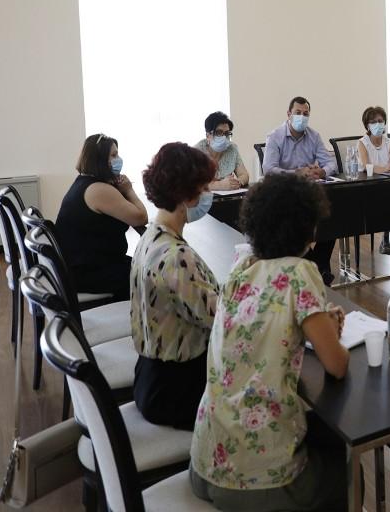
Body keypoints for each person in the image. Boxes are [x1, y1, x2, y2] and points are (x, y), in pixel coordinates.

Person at [190, 173, 351, 511]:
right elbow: (336, 365)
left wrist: (321, 324)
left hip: (205, 464)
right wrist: (330, 334)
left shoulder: (241, 267)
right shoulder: (300, 272)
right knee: (344, 465)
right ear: (307, 229)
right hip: (258, 480)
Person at [131, 143, 219, 429]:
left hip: (151, 376)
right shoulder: (175, 256)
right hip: (176, 389)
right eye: (204, 188)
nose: (207, 194)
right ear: (186, 196)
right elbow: (220, 321)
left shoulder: (151, 237)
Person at [55, 134, 148, 301]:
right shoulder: (99, 190)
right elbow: (141, 218)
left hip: (82, 266)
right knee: (152, 275)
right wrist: (128, 190)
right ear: (99, 159)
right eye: (113, 155)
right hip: (88, 273)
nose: (118, 159)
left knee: (147, 267)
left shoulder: (85, 182)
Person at [262, 96, 338, 284]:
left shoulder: (314, 136)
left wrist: (322, 171)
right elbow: (268, 169)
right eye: (298, 113)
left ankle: (319, 267)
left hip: (309, 193)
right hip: (284, 194)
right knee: (296, 224)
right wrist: (296, 173)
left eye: (306, 114)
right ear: (289, 114)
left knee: (332, 217)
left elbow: (331, 163)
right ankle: (318, 268)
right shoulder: (275, 136)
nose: (302, 117)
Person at [356, 106, 390, 270]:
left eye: (380, 121)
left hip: (388, 189)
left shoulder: (388, 142)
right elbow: (366, 166)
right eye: (373, 122)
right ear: (367, 125)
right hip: (368, 191)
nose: (378, 124)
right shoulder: (362, 143)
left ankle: (389, 239)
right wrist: (385, 168)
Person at [194, 111, 249, 190]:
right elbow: (190, 183)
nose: (223, 137)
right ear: (208, 135)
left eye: (226, 133)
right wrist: (219, 185)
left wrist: (237, 182)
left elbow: (244, 175)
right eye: (218, 132)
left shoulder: (232, 149)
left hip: (228, 195)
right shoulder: (196, 152)